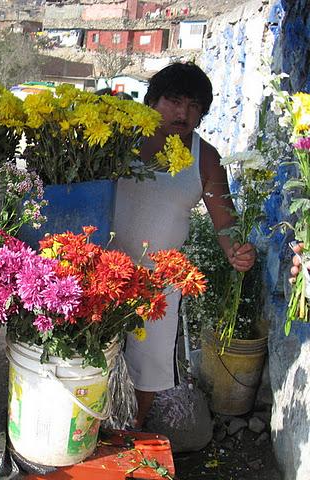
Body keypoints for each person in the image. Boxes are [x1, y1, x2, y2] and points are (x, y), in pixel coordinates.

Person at [110, 62, 256, 429]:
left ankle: (129, 433)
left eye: (193, 106)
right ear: (152, 101)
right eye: (174, 101)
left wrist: (236, 250)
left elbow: (226, 222)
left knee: (149, 362)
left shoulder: (204, 158)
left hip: (161, 280)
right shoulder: (119, 138)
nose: (183, 113)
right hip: (104, 269)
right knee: (94, 351)